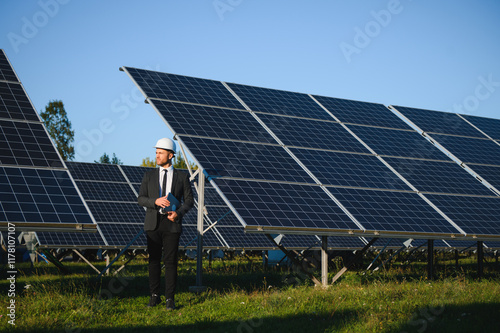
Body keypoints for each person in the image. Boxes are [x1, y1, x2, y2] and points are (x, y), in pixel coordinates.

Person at [138, 138, 194, 310]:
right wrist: (155, 201)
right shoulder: (149, 176)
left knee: (170, 262)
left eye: (160, 153)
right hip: (153, 223)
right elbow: (140, 199)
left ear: (171, 155)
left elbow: (189, 201)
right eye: (156, 152)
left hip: (172, 223)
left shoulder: (182, 177)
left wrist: (178, 213)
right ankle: (154, 296)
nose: (157, 155)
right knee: (153, 260)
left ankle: (170, 298)